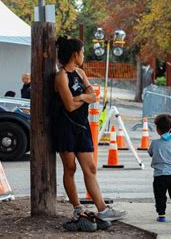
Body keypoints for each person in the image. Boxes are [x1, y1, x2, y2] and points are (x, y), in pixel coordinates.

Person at [53, 36, 127, 231]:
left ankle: (102, 209)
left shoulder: (80, 72)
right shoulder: (61, 76)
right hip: (65, 126)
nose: (84, 56)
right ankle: (77, 208)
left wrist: (81, 97)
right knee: (70, 169)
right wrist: (83, 98)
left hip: (82, 125)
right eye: (82, 53)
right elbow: (69, 106)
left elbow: (94, 96)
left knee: (91, 168)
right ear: (75, 54)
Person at [148, 114, 171, 223]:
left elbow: (151, 154)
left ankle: (161, 215)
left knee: (160, 196)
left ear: (158, 129)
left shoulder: (154, 143)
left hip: (159, 176)